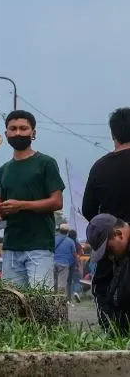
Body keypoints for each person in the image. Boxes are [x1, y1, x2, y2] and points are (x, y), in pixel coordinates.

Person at [0, 110, 64, 289]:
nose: (18, 133)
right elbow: (3, 206)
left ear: (33, 133)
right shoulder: (4, 170)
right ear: (6, 133)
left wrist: (21, 206)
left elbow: (57, 202)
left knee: (39, 304)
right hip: (11, 246)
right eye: (13, 128)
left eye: (23, 128)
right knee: (11, 302)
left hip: (39, 245)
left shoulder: (46, 163)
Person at [82, 108, 130, 327]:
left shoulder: (100, 167)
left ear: (113, 135)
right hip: (120, 236)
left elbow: (88, 210)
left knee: (107, 298)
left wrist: (108, 223)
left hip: (111, 244)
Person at [86, 214, 130, 331]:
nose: (110, 256)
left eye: (109, 250)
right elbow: (101, 292)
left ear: (119, 234)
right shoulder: (117, 255)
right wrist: (111, 328)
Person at [53, 224, 78, 300]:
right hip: (64, 264)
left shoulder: (54, 239)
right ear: (67, 232)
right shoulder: (70, 241)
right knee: (62, 283)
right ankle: (60, 300)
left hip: (53, 263)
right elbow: (74, 254)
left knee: (54, 282)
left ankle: (53, 298)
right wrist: (75, 262)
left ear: (59, 230)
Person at [68, 229, 83, 302]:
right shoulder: (77, 244)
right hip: (75, 265)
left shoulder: (67, 242)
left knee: (70, 281)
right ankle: (76, 292)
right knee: (77, 280)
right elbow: (79, 255)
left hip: (67, 264)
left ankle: (70, 294)